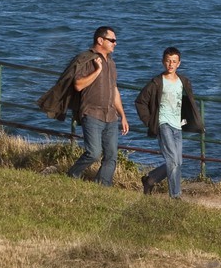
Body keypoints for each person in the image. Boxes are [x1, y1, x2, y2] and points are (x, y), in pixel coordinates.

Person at [135, 46, 203, 198]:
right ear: (163, 62)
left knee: (177, 161)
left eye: (174, 61)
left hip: (177, 125)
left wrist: (194, 122)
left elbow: (189, 103)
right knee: (172, 160)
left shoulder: (183, 82)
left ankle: (150, 179)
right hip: (163, 123)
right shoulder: (157, 82)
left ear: (179, 63)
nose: (170, 64)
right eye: (168, 61)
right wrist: (150, 121)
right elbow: (140, 101)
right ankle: (175, 195)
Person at [65, 26, 129, 186]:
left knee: (111, 155)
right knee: (93, 153)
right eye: (112, 40)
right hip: (92, 114)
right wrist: (97, 70)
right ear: (101, 40)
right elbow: (78, 85)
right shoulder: (87, 59)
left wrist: (123, 115)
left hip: (111, 116)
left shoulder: (112, 63)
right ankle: (72, 174)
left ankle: (103, 187)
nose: (115, 43)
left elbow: (114, 90)